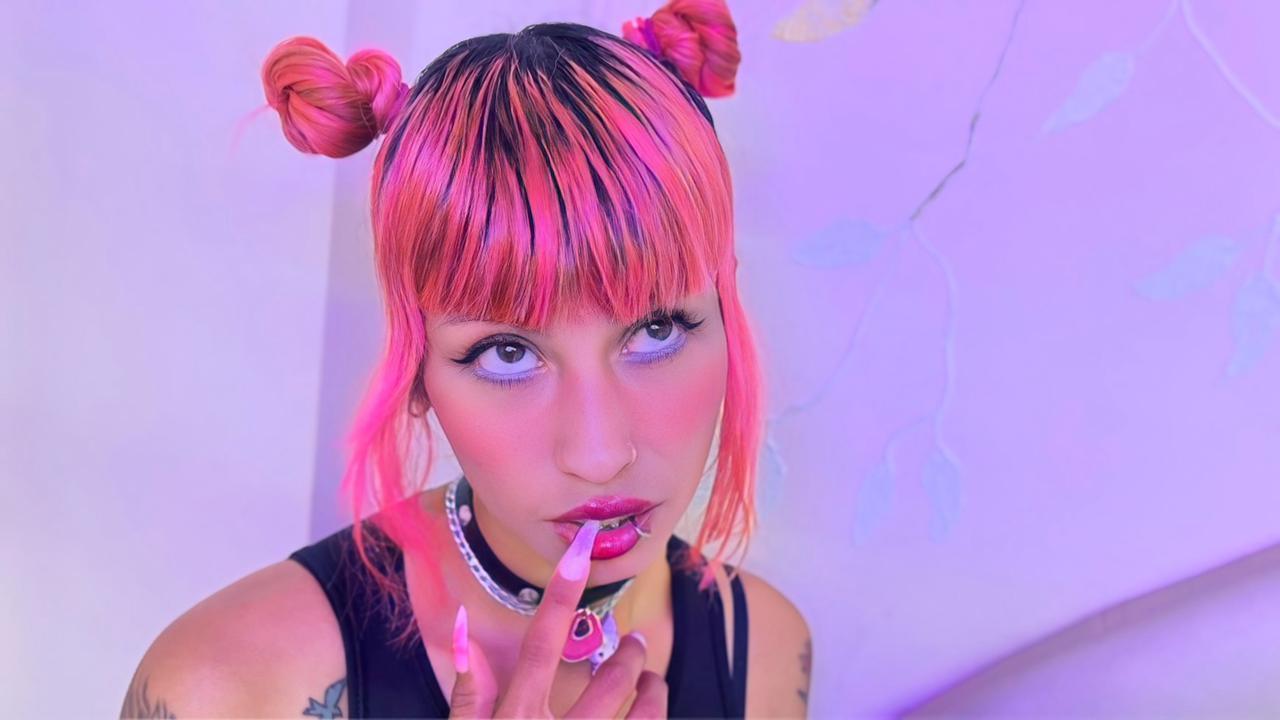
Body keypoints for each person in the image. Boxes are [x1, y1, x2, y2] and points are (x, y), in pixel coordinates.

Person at [121, 1, 812, 717]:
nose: (600, 455)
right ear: (416, 368)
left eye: (658, 330)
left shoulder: (764, 649)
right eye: (507, 353)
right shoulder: (226, 687)